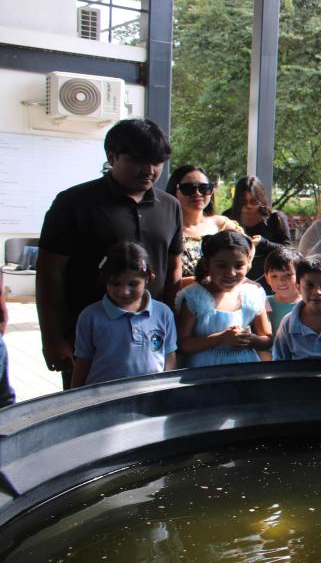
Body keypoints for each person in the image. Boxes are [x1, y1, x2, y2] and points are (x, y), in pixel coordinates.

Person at [37, 118, 183, 388]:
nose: (150, 170)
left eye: (157, 162)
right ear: (112, 156)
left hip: (151, 336)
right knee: (87, 416)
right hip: (89, 341)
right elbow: (49, 272)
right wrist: (52, 338)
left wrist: (175, 327)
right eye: (139, 160)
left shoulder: (170, 206)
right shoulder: (73, 203)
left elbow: (174, 267)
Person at [71, 242, 177, 387]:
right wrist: (76, 400)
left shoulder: (163, 313)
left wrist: (167, 392)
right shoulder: (90, 317)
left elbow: (169, 358)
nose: (124, 291)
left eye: (133, 284)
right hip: (104, 403)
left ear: (148, 278)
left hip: (150, 401)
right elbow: (83, 362)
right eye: (115, 283)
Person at [176, 230, 272, 367]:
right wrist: (221, 339)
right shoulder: (195, 297)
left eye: (239, 266)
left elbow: (267, 338)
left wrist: (249, 339)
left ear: (248, 264)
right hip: (202, 371)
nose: (231, 273)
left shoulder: (253, 294)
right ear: (206, 264)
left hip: (244, 367)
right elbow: (182, 344)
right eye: (222, 266)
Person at [165, 165, 243, 279]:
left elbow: (248, 249)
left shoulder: (222, 224)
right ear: (174, 191)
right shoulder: (165, 228)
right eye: (188, 188)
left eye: (204, 188)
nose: (197, 193)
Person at [223, 176, 292, 292]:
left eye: (254, 201)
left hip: (270, 283)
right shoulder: (227, 217)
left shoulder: (275, 218)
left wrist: (264, 243)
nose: (249, 205)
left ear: (261, 199)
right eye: (243, 202)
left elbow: (289, 250)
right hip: (234, 280)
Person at [263, 247, 302, 332]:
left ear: (301, 275)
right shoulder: (264, 302)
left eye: (288, 275)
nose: (281, 281)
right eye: (274, 276)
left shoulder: (310, 303)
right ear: (267, 278)